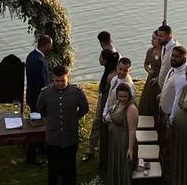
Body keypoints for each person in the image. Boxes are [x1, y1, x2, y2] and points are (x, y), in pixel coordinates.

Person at [37, 65, 90, 185]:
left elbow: (85, 107)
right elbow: (40, 108)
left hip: (70, 137)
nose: (60, 83)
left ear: (68, 78)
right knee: (53, 168)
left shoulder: (76, 92)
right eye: (57, 81)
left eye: (63, 81)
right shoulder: (45, 93)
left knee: (70, 167)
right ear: (53, 78)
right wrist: (49, 120)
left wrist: (75, 118)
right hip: (53, 137)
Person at [85, 31, 119, 162]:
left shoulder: (110, 55)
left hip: (107, 96)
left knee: (98, 122)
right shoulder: (114, 53)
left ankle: (91, 149)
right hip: (106, 93)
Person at [27, 35, 54, 164]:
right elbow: (42, 83)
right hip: (38, 99)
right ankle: (32, 155)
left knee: (35, 123)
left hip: (32, 96)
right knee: (36, 127)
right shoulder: (39, 61)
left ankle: (39, 148)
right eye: (50, 45)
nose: (51, 48)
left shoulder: (31, 55)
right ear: (47, 45)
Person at [104, 83, 138, 185]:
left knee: (123, 164)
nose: (122, 99)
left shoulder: (131, 108)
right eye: (120, 96)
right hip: (115, 139)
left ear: (129, 95)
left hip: (124, 140)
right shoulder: (117, 103)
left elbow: (132, 130)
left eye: (125, 96)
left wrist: (130, 149)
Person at [138, 31, 162, 117]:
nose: (152, 40)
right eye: (152, 38)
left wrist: (159, 78)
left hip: (160, 78)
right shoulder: (150, 51)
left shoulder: (164, 52)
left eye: (154, 38)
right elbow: (146, 64)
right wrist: (148, 70)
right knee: (147, 100)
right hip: (151, 78)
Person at [155, 24, 177, 90]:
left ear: (169, 36)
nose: (158, 38)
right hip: (162, 86)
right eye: (158, 35)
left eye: (161, 36)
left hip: (170, 87)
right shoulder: (164, 46)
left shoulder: (175, 50)